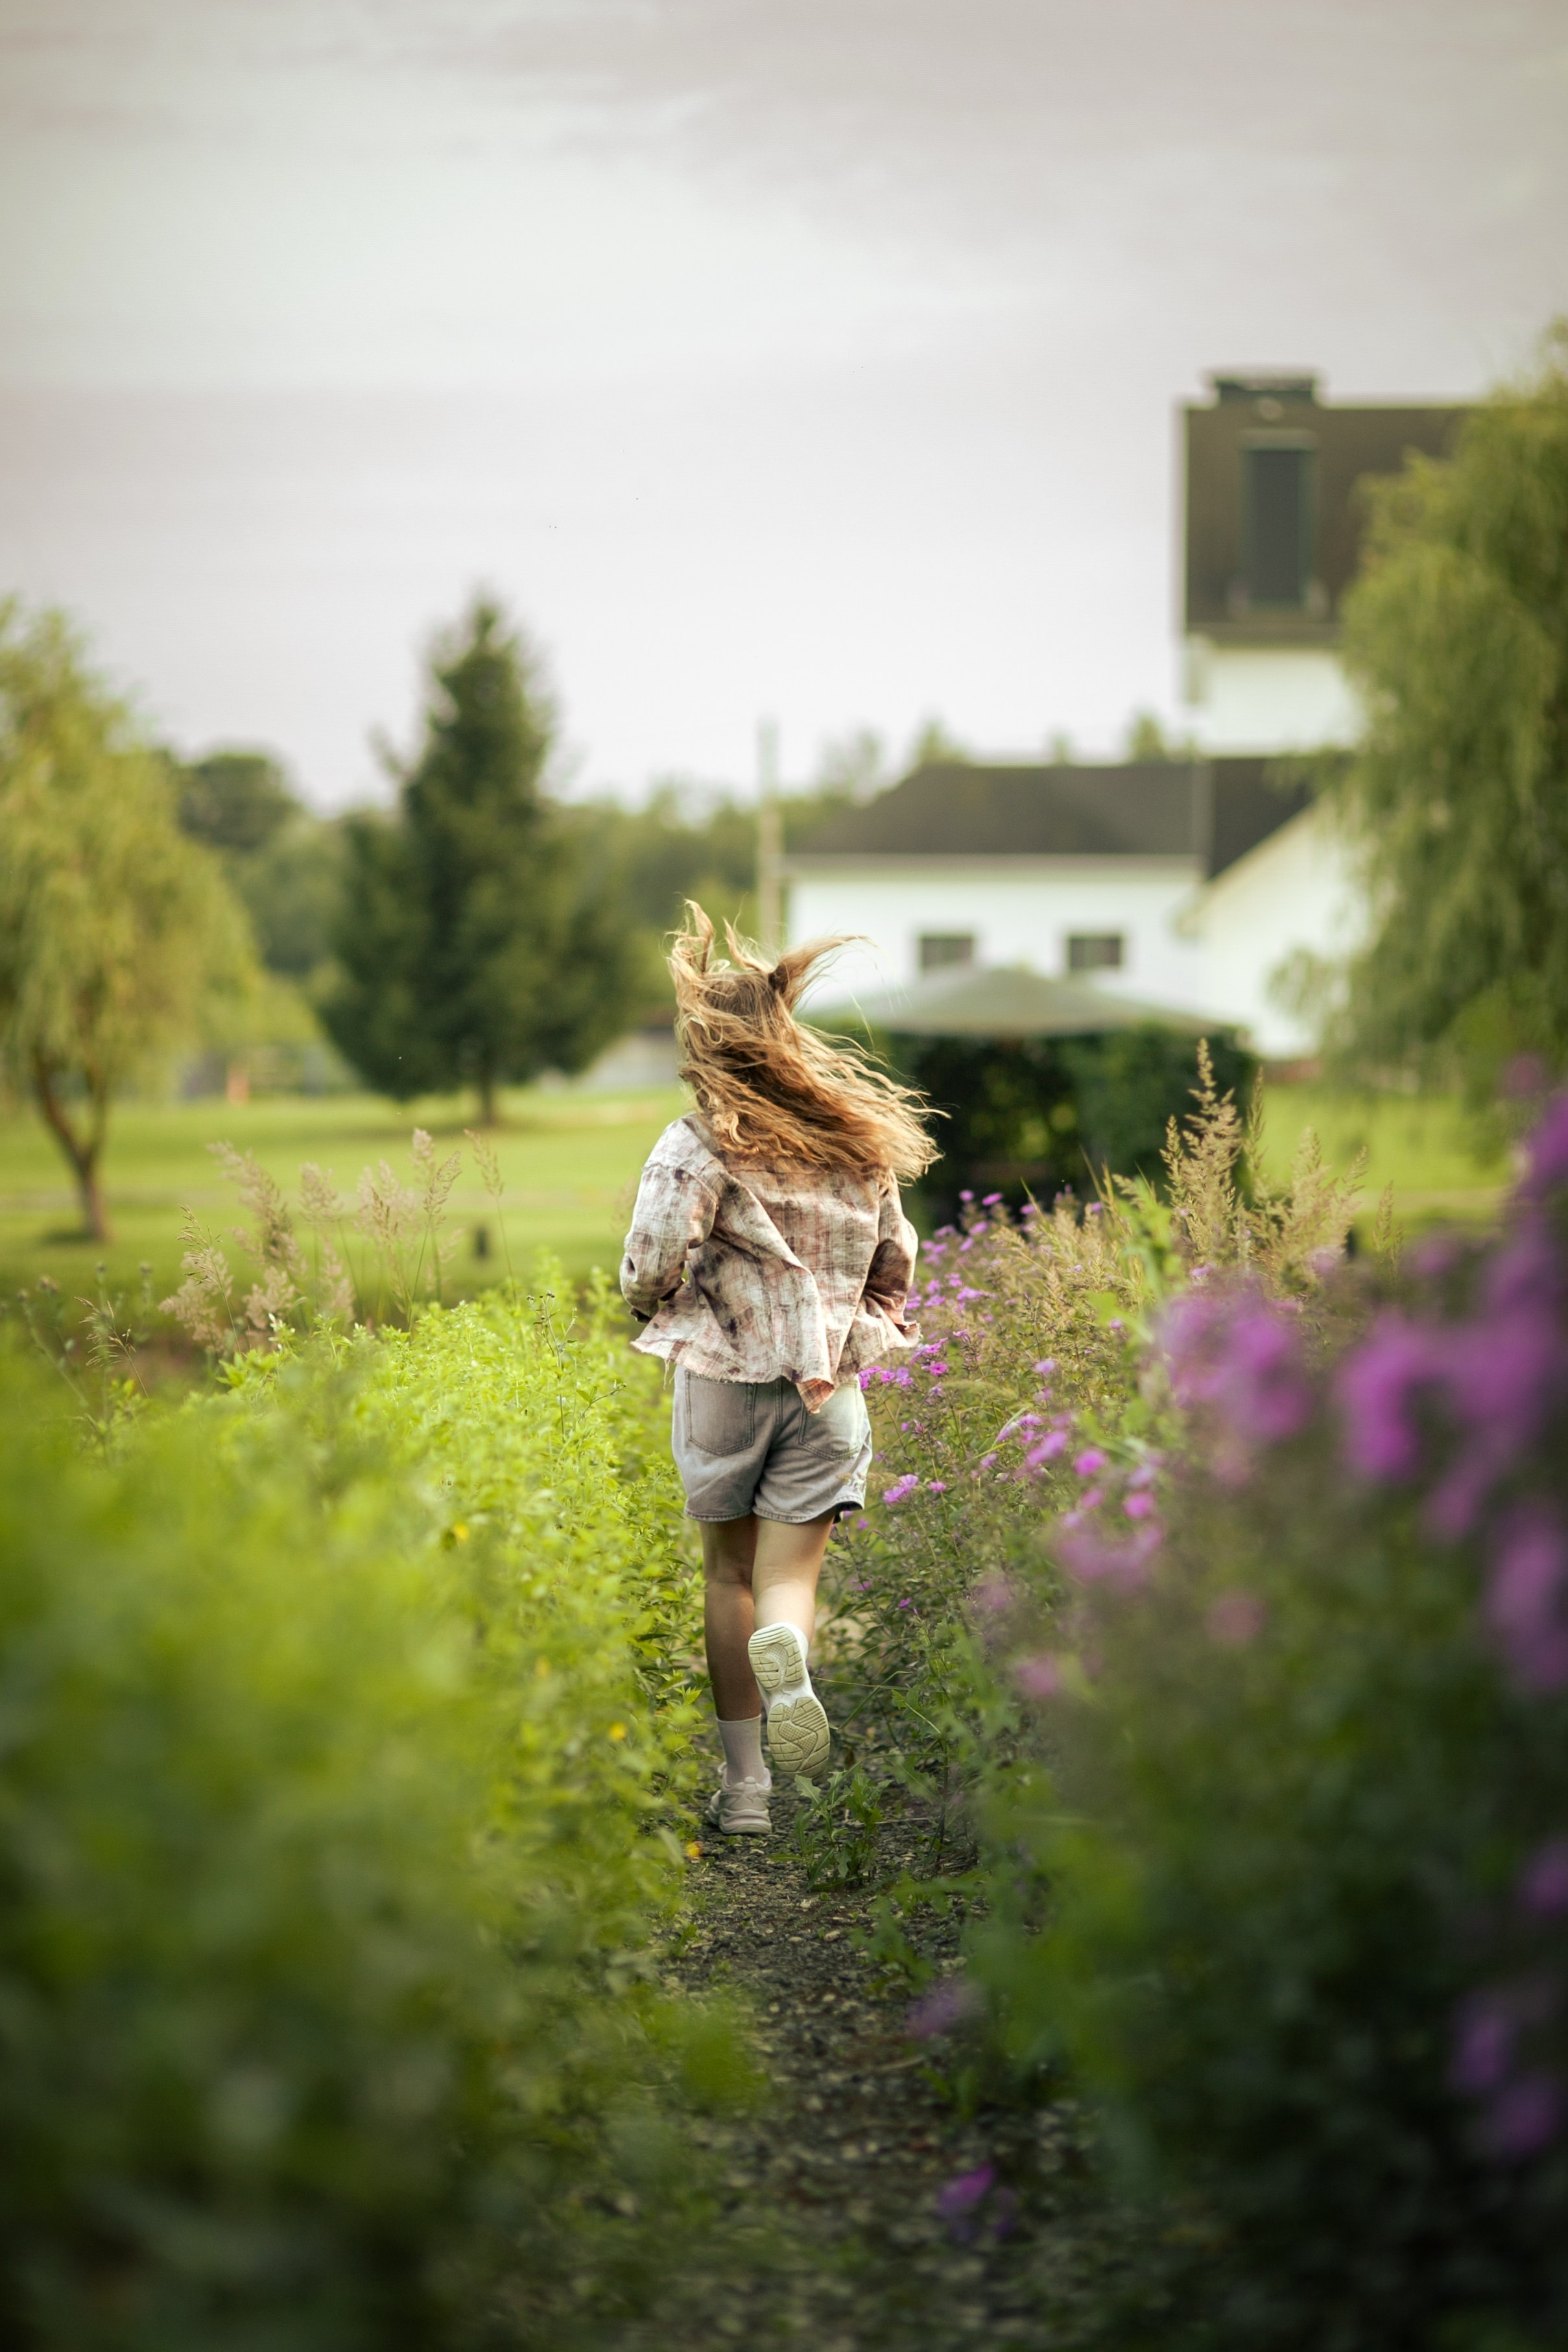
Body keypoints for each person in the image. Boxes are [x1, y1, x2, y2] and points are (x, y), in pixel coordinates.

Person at [620, 907, 936, 1836]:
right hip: (827, 1391)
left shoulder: (696, 1142)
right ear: (785, 1034)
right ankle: (789, 1657)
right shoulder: (857, 1145)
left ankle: (746, 1792)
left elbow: (649, 1261)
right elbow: (894, 1266)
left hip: (723, 1380)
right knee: (787, 1582)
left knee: (727, 1579)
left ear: (705, 1047)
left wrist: (661, 1310)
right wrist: (852, 1334)